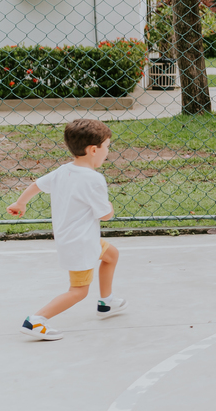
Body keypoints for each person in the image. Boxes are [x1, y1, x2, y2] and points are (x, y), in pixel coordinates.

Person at [8, 119, 127, 340]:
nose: (107, 152)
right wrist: (110, 206)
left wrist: (20, 203)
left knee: (111, 255)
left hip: (79, 238)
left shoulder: (63, 171)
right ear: (93, 150)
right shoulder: (94, 179)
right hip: (80, 243)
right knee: (78, 291)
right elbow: (105, 215)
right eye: (107, 147)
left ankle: (107, 302)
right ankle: (35, 320)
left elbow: (37, 185)